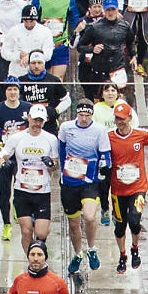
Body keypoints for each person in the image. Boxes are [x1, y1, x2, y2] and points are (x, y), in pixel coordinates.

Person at [58, 99, 111, 276]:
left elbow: (105, 153)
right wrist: (62, 170)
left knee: (89, 216)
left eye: (87, 116)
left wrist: (105, 166)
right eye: (81, 115)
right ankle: (78, 254)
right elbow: (61, 149)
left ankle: (92, 248)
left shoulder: (99, 130)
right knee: (73, 223)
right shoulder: (66, 128)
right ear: (76, 114)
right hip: (70, 181)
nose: (83, 119)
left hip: (89, 181)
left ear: (91, 116)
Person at [106, 96, 148, 265]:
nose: (119, 122)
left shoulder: (140, 135)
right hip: (117, 190)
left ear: (129, 118)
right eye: (117, 118)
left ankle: (135, 248)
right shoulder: (108, 137)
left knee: (134, 220)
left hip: (138, 187)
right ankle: (122, 255)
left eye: (122, 119)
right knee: (120, 226)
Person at [4, 104, 60, 252]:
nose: (37, 124)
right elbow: (2, 156)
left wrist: (51, 164)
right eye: (35, 120)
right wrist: (5, 163)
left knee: (41, 233)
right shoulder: (17, 137)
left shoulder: (51, 139)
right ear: (28, 118)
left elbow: (55, 164)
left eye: (40, 121)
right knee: (26, 230)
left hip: (42, 191)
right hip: (22, 190)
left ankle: (39, 254)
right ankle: (31, 260)